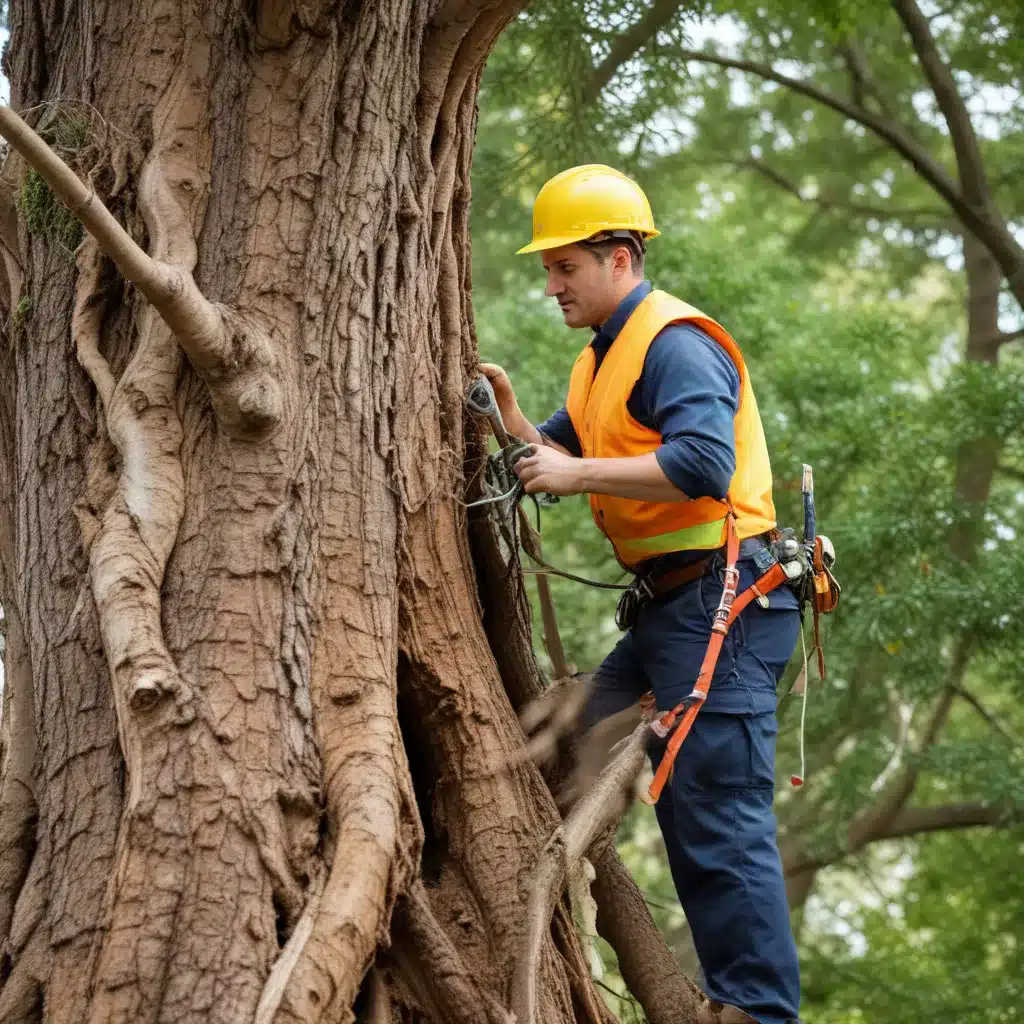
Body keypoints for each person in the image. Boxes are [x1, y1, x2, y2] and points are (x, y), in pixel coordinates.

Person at [481, 164, 803, 1024]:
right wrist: (511, 417)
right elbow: (549, 456)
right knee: (566, 748)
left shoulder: (674, 342)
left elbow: (701, 465)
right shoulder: (604, 360)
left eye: (565, 267)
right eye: (548, 268)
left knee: (717, 812)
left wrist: (575, 470)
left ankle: (758, 1013)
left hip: (724, 607)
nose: (551, 284)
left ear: (620, 257)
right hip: (674, 612)